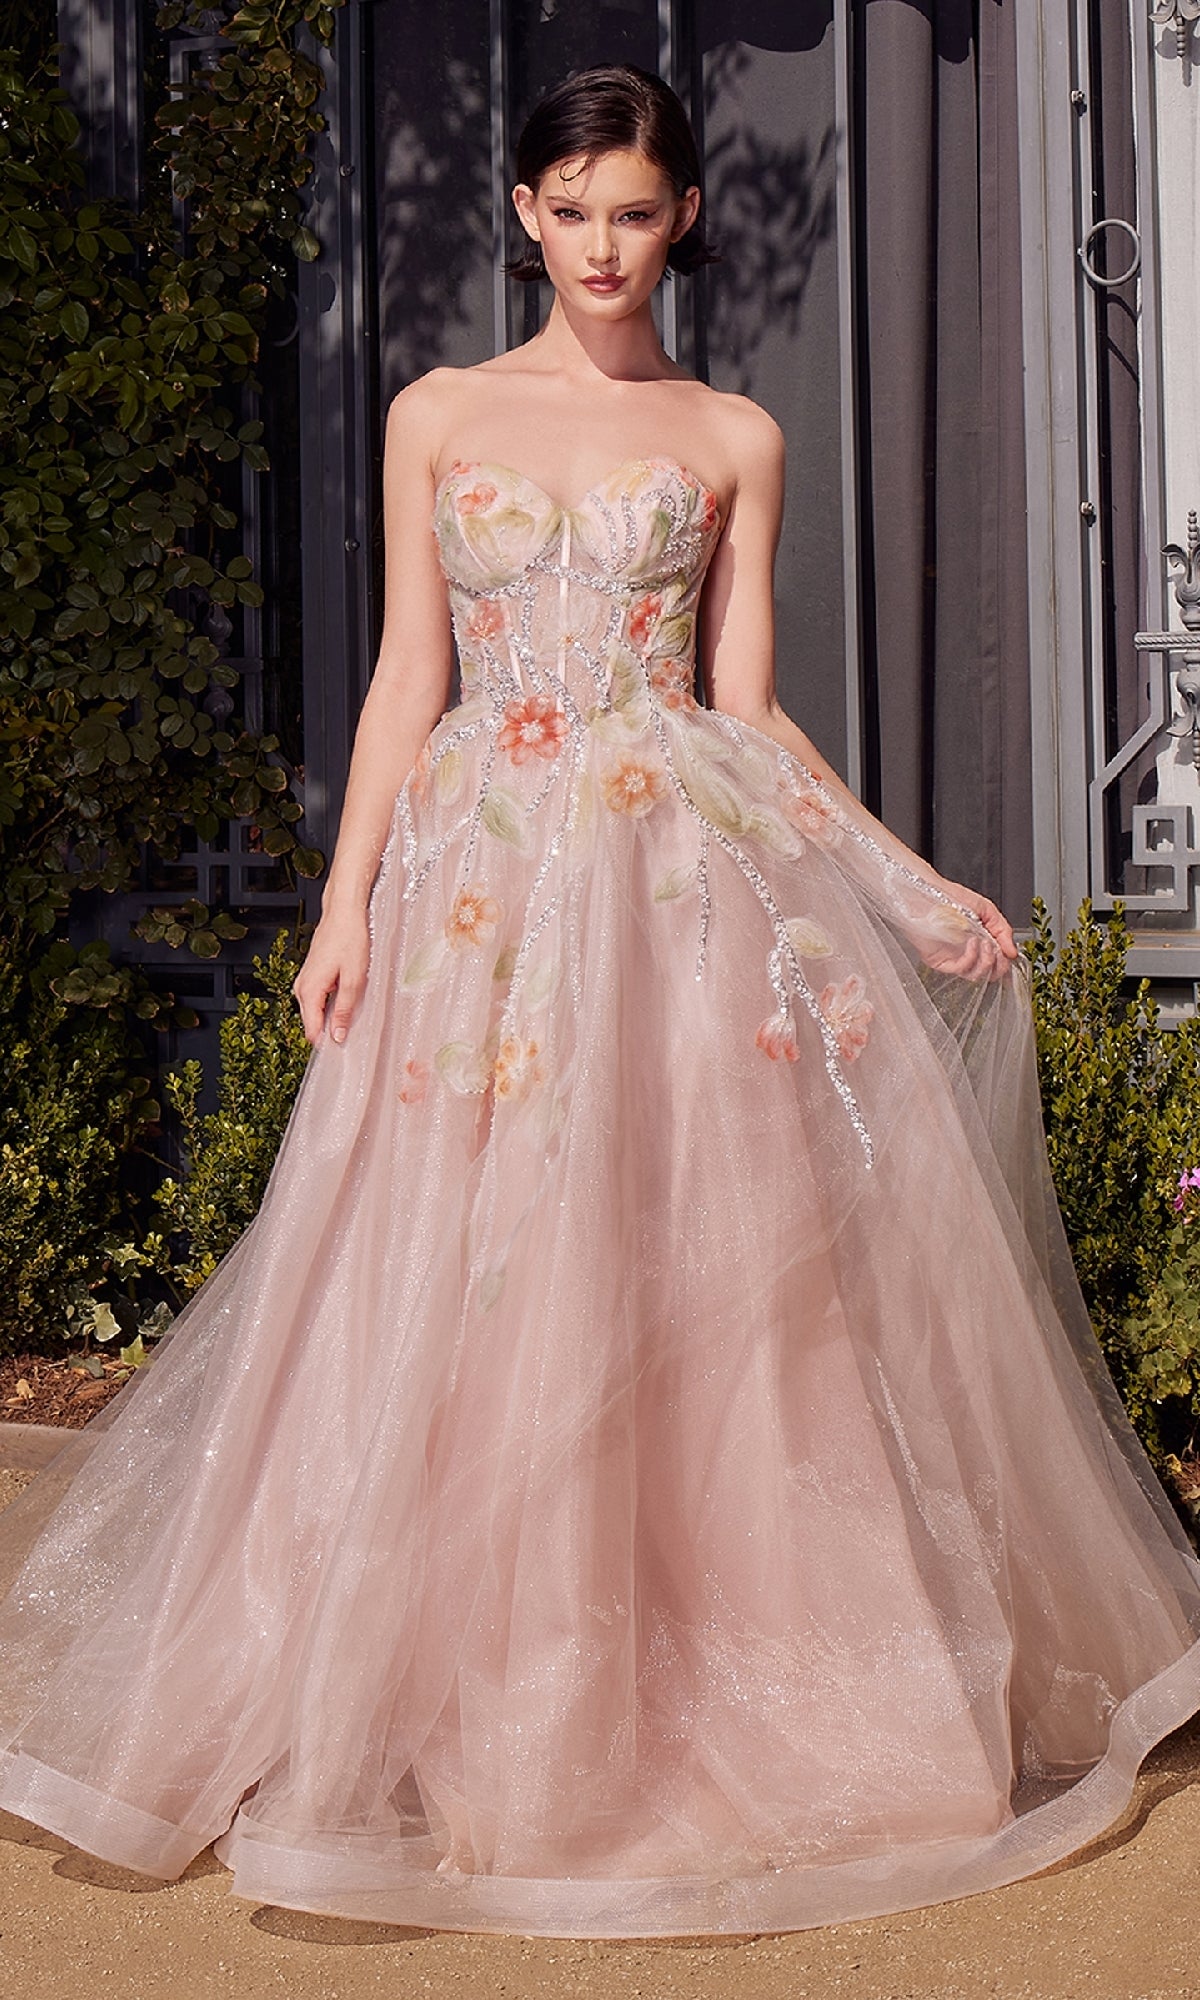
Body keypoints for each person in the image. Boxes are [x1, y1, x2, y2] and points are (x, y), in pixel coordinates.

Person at [2, 63, 1200, 1942]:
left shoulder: (733, 433)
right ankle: (443, 1685)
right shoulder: (437, 410)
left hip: (667, 888)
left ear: (683, 219)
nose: (603, 244)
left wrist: (900, 877)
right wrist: (340, 907)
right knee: (438, 1269)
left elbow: (745, 709)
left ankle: (665, 1693)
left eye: (634, 210)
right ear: (525, 216)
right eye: (571, 208)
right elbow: (407, 678)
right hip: (474, 895)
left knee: (678, 1273)